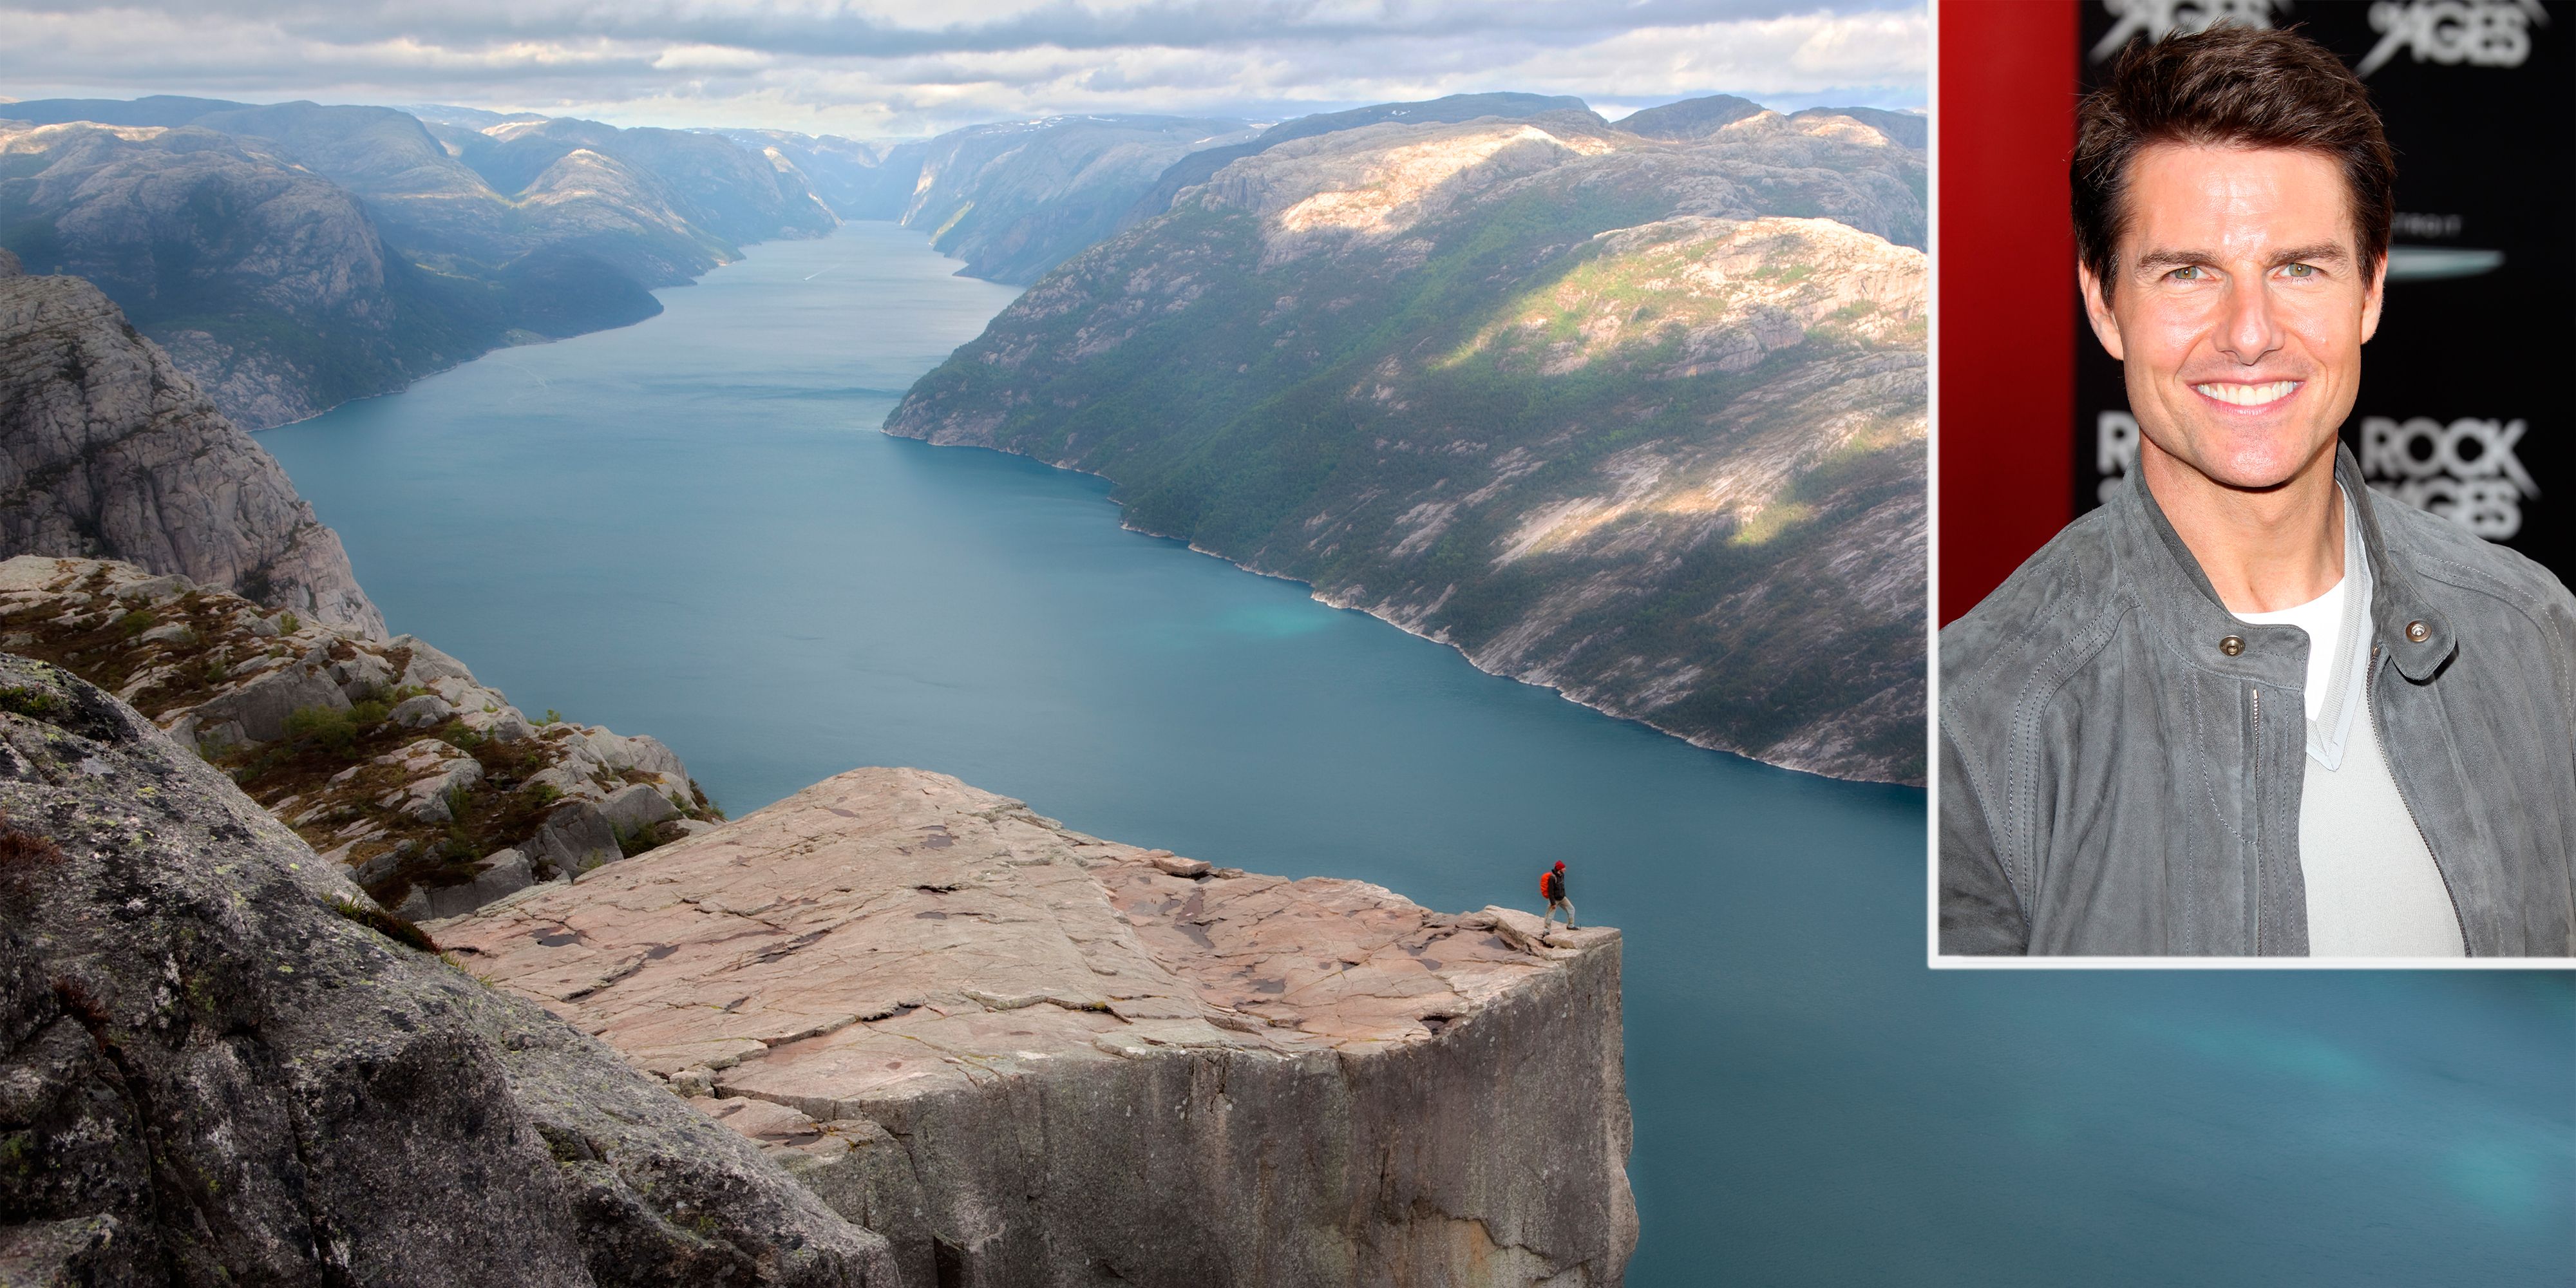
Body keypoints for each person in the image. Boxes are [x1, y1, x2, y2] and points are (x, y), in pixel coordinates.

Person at [1940, 24, 2576, 957]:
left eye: (2299, 269)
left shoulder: (2536, 635)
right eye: (2190, 272)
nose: (2249, 333)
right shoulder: (1978, 716)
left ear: (2369, 292)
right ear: (2103, 302)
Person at [1541, 860, 1578, 929]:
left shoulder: (1562, 875)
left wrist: (1564, 895)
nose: (1565, 869)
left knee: (1571, 909)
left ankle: (1570, 925)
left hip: (1562, 898)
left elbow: (1562, 887)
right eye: (1564, 868)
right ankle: (1546, 931)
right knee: (1550, 916)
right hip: (1555, 900)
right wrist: (1553, 903)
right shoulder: (1552, 878)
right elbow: (1550, 892)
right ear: (1560, 869)